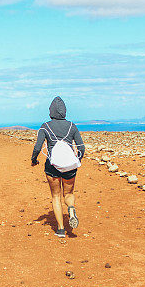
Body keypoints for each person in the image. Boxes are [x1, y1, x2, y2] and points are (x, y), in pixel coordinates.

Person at [31, 96, 85, 237]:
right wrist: (76, 160)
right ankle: (71, 208)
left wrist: (34, 159)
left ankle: (61, 229)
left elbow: (37, 147)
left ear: (51, 111)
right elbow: (81, 147)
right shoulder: (72, 126)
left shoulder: (45, 126)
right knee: (68, 193)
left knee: (56, 196)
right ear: (64, 111)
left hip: (52, 166)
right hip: (69, 166)